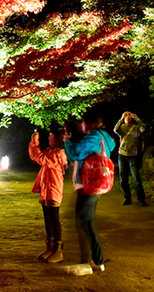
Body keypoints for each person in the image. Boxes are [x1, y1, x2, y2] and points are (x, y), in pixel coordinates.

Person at [64, 112, 116, 276]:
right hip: (98, 183)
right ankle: (94, 260)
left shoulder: (94, 137)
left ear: (90, 123)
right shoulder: (104, 136)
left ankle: (95, 260)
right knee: (84, 220)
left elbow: (76, 153)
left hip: (91, 184)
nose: (81, 125)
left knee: (84, 221)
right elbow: (111, 147)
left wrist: (67, 141)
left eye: (83, 122)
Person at [29, 124, 69, 263]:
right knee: (47, 218)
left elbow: (39, 158)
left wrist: (34, 142)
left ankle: (58, 250)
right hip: (47, 188)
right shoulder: (51, 151)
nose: (49, 138)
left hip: (53, 188)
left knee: (54, 218)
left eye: (51, 136)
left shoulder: (57, 153)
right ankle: (50, 248)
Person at [114, 111, 148, 206]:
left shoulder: (136, 128)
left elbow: (143, 127)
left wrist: (136, 118)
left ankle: (141, 199)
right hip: (122, 154)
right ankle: (127, 198)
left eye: (129, 115)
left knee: (136, 178)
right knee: (123, 179)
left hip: (133, 155)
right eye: (126, 116)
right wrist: (121, 118)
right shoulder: (122, 128)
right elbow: (115, 129)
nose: (127, 117)